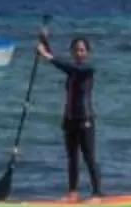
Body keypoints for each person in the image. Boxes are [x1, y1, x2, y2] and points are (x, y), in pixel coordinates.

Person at [37, 29, 102, 197]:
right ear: (72, 52)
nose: (79, 53)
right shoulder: (71, 70)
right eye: (76, 50)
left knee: (88, 157)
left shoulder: (87, 69)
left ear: (87, 53)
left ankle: (97, 194)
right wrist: (44, 40)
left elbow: (64, 66)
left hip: (85, 120)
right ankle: (73, 192)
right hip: (69, 119)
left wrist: (47, 55)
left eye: (82, 50)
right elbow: (60, 63)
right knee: (72, 158)